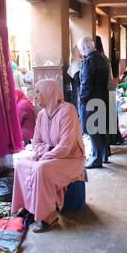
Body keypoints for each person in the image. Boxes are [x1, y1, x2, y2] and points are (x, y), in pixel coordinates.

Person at [12, 80, 86, 233]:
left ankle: (49, 216)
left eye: (38, 92)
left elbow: (65, 147)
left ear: (49, 92)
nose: (35, 96)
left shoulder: (68, 110)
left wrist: (46, 155)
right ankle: (28, 207)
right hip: (50, 156)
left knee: (41, 169)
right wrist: (48, 151)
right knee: (20, 164)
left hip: (71, 159)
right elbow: (36, 142)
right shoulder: (41, 115)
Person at [77, 36, 111, 169]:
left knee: (93, 128)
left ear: (85, 48)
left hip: (92, 98)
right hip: (104, 95)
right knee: (101, 126)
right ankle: (103, 155)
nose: (81, 52)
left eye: (81, 49)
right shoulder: (103, 58)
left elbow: (86, 82)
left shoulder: (89, 61)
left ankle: (96, 158)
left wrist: (82, 99)